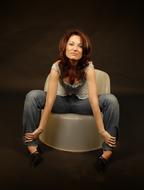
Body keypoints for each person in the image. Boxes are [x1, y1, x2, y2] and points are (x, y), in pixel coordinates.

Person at [22, 28, 119, 171]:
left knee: (111, 100)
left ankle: (106, 153)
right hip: (60, 103)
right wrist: (41, 127)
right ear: (64, 47)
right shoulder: (56, 67)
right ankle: (33, 148)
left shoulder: (88, 67)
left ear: (84, 51)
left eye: (80, 46)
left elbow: (93, 99)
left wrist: (101, 131)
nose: (75, 49)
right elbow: (49, 99)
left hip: (83, 104)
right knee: (33, 96)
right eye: (71, 44)